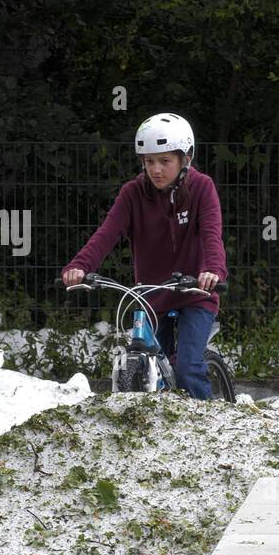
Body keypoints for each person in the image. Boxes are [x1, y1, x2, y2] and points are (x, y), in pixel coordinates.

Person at [62, 112, 226, 399]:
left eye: (165, 161)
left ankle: (212, 431)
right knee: (146, 363)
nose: (156, 169)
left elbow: (212, 235)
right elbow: (106, 234)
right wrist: (80, 265)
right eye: (149, 161)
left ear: (185, 159)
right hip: (150, 294)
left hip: (196, 291)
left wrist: (213, 271)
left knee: (188, 367)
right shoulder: (133, 193)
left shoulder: (202, 188)